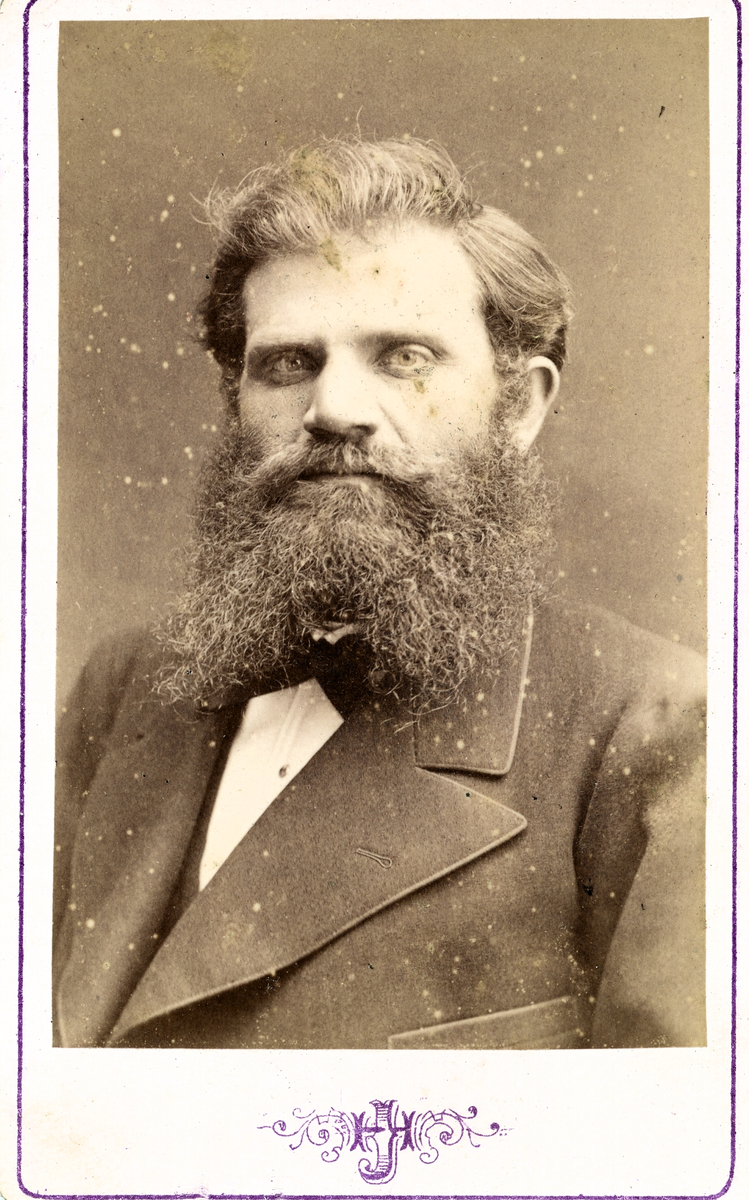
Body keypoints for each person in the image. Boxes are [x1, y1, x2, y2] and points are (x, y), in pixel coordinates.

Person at [53, 138, 706, 1050]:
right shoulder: (125, 685)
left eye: (403, 356)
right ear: (237, 399)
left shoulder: (662, 732)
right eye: (289, 363)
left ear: (517, 408)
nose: (333, 410)